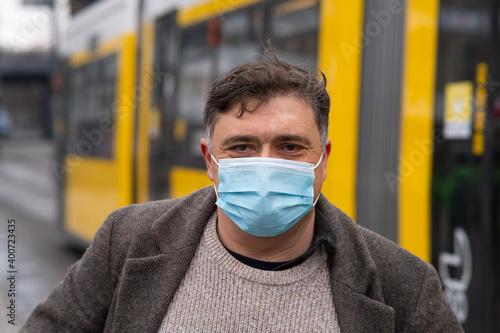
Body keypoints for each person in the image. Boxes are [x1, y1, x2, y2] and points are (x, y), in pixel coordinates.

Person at [21, 50, 463, 332]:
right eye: (242, 147)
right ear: (209, 160)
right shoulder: (127, 238)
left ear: (323, 159)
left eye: (290, 146)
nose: (266, 163)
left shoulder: (404, 286)